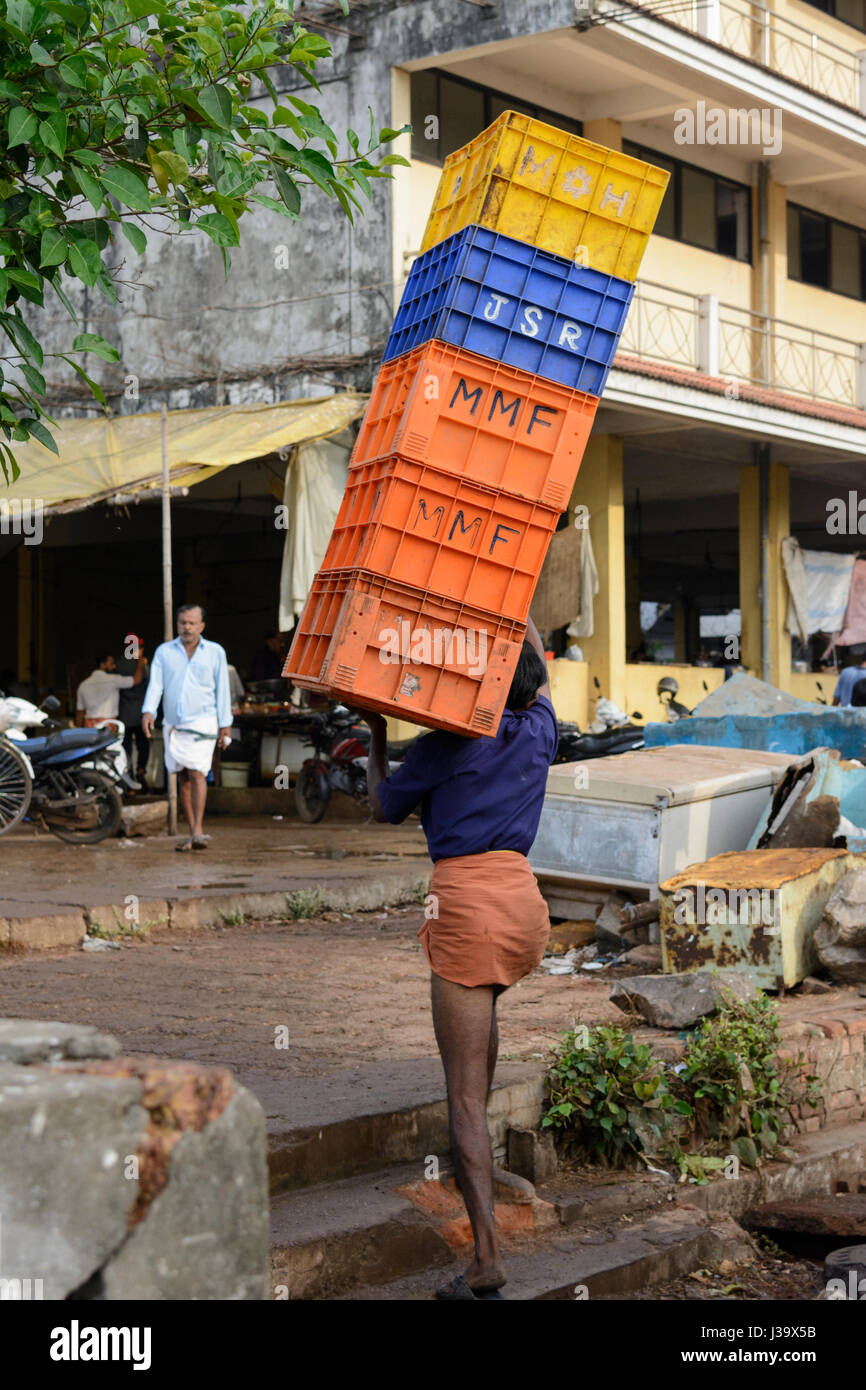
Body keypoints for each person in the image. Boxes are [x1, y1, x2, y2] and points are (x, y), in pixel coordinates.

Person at [363, 617, 558, 1301]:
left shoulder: (443, 744)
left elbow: (384, 806)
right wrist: (509, 600)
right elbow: (534, 659)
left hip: (467, 910)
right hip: (524, 908)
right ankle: (491, 1190)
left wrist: (379, 728)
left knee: (465, 1097)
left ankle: (485, 1259)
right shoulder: (540, 728)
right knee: (485, 1042)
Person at [141, 604, 232, 851]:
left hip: (204, 721)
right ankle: (192, 832)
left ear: (202, 626)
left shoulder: (215, 652)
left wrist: (226, 724)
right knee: (182, 775)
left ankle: (198, 830)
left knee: (197, 772)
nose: (186, 627)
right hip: (174, 724)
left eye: (192, 623)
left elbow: (223, 689)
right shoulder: (163, 652)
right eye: (182, 622)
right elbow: (156, 685)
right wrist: (148, 710)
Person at [76, 648, 147, 730]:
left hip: (89, 727)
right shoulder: (114, 680)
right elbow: (136, 680)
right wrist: (140, 664)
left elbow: (80, 712)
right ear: (102, 665)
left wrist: (78, 730)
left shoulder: (83, 685)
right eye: (111, 664)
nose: (114, 666)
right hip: (108, 726)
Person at [116, 633, 150, 789]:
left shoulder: (119, 665)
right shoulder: (143, 665)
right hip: (141, 713)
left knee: (127, 746)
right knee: (143, 744)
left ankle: (129, 775)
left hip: (124, 713)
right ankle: (141, 770)